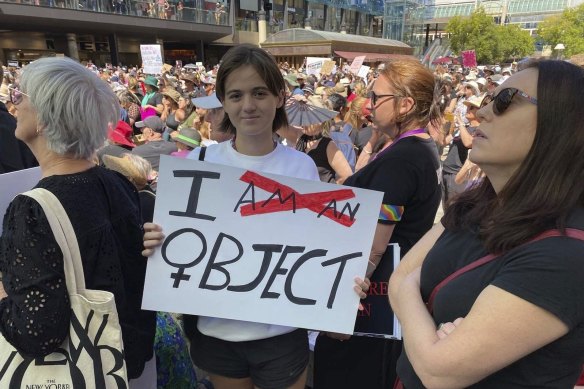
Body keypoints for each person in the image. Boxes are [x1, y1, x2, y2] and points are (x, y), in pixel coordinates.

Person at [389, 60, 584, 388]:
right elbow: (399, 278)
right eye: (488, 100)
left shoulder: (567, 251)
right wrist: (423, 320)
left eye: (506, 99)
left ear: (562, 124)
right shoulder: (476, 203)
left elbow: (439, 371)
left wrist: (410, 298)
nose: (482, 112)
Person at [143, 44, 320, 389]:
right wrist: (157, 240)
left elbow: (317, 250)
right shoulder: (199, 163)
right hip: (216, 330)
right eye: (236, 95)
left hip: (282, 334)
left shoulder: (302, 167)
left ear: (279, 98)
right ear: (223, 101)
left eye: (259, 93)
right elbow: (178, 242)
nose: (248, 105)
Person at [0, 57, 156, 384]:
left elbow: (36, 333)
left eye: (20, 97)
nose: (14, 106)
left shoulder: (31, 211)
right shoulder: (119, 183)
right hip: (129, 368)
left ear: (44, 117)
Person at [313, 58, 442, 389]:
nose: (367, 104)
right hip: (384, 299)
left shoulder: (404, 158)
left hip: (369, 308)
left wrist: (339, 309)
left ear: (406, 104)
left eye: (376, 97)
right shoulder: (413, 147)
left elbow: (373, 244)